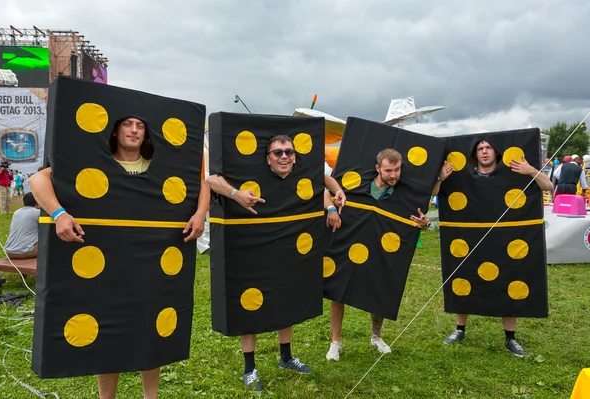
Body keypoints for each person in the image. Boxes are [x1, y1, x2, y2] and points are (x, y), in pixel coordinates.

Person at [28, 116, 210, 399]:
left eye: (140, 125)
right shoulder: (92, 162)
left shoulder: (160, 168)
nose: (134, 130)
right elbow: (37, 179)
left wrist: (200, 214)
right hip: (107, 262)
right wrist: (58, 213)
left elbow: (202, 183)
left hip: (150, 262)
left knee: (150, 331)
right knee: (107, 332)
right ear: (115, 130)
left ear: (147, 134)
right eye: (128, 124)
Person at [206, 134, 345, 392]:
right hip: (254, 250)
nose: (284, 156)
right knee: (250, 306)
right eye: (278, 153)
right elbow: (211, 180)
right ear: (267, 159)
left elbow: (321, 178)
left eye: (289, 152)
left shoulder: (302, 172)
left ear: (295, 157)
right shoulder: (250, 172)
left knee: (286, 300)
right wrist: (236, 194)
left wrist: (335, 198)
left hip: (287, 249)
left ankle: (286, 357)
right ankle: (249, 369)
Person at [326, 148, 452, 361]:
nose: (393, 175)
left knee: (380, 289)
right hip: (352, 242)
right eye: (388, 170)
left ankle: (376, 337)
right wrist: (330, 207)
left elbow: (429, 197)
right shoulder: (358, 184)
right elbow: (325, 189)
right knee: (339, 292)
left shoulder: (404, 191)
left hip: (383, 246)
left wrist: (427, 222)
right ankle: (335, 342)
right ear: (377, 169)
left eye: (397, 170)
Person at [443, 140, 553, 357]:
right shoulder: (463, 176)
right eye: (480, 148)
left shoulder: (516, 173)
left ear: (496, 151)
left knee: (509, 277)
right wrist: (441, 178)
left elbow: (548, 186)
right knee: (463, 275)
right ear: (475, 154)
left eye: (488, 147)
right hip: (469, 237)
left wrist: (530, 170)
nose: (484, 151)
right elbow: (436, 191)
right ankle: (459, 330)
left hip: (505, 239)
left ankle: (510, 338)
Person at [4, 192, 40, 259]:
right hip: (27, 252)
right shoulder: (38, 213)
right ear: (37, 201)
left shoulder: (16, 212)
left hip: (9, 251)